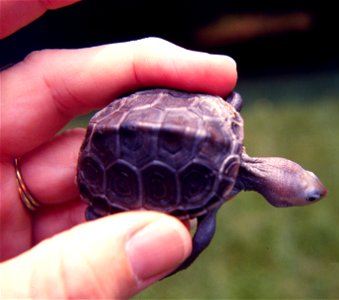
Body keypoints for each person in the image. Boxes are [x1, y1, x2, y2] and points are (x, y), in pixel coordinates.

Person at [0, 1, 237, 298]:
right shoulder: (225, 134)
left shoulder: (228, 112)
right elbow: (201, 236)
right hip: (121, 141)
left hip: (124, 118)